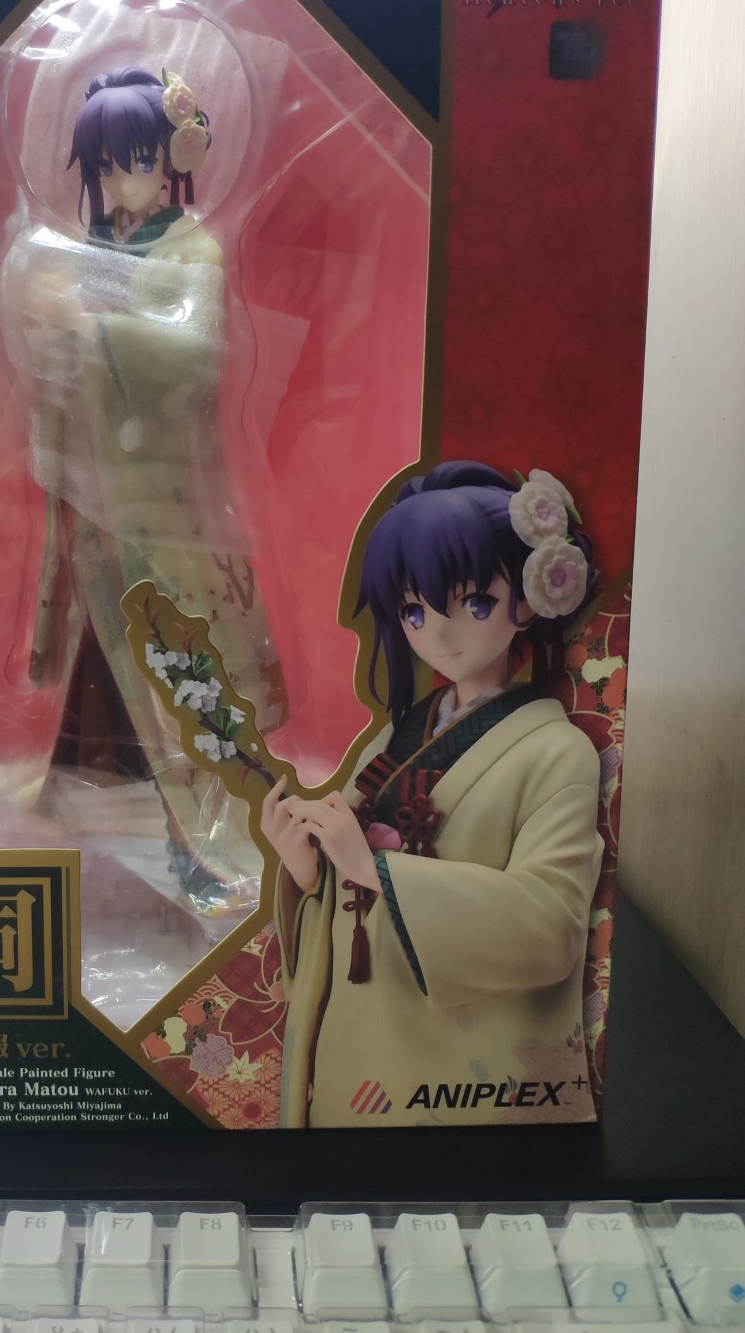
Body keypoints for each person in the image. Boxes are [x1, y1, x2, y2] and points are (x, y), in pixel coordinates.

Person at [0, 66, 284, 914]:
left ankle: (202, 844)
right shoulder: (81, 252)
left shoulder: (193, 249)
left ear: (173, 159)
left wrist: (92, 328)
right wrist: (52, 338)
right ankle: (84, 804)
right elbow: (52, 365)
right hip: (93, 499)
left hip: (165, 498)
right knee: (111, 658)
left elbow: (195, 353)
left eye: (141, 159)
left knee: (178, 665)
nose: (125, 179)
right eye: (107, 164)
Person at [262, 460, 602, 1127]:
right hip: (359, 1034)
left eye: (474, 604)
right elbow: (347, 883)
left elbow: (551, 928)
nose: (439, 635)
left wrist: (378, 872)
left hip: (459, 1070)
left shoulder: (557, 753)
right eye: (414, 611)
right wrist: (309, 872)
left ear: (530, 596)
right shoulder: (392, 738)